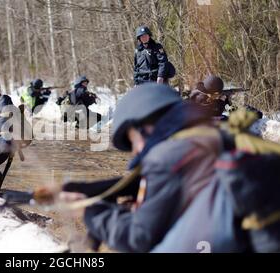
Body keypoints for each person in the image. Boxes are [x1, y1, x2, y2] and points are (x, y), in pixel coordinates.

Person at [61, 83, 222, 252]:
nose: (135, 152)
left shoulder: (166, 157)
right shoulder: (209, 140)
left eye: (132, 140)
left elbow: (138, 238)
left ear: (146, 127)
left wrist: (89, 212)